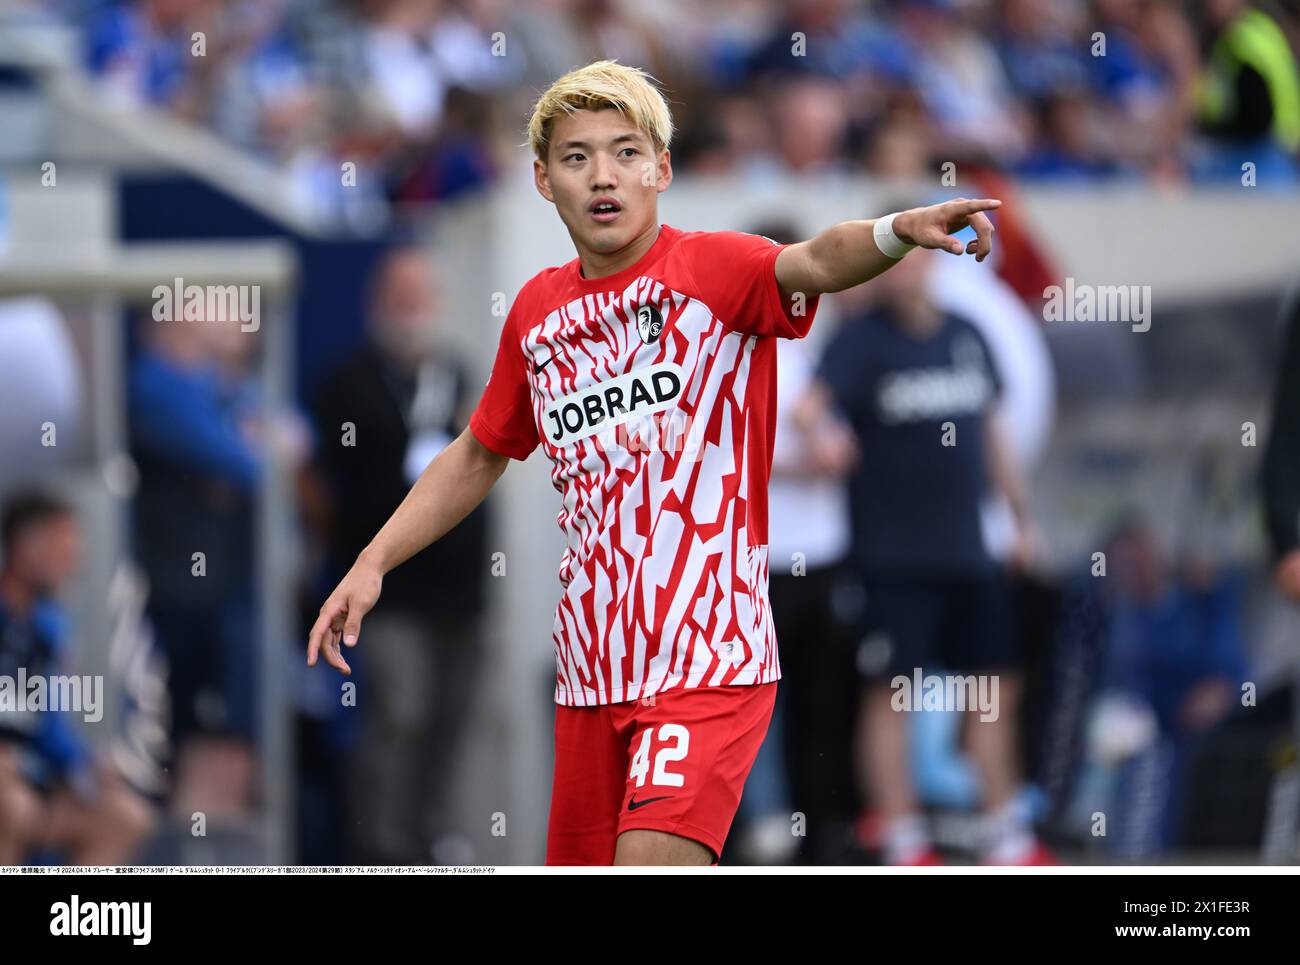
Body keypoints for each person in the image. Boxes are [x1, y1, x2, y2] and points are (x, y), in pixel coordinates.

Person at [307, 59, 1001, 866]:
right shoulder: (536, 312)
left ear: (662, 169)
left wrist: (893, 233)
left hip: (707, 661)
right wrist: (372, 561)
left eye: (626, 152)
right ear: (542, 179)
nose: (603, 175)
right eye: (576, 157)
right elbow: (478, 452)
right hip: (592, 674)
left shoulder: (716, 270)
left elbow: (813, 260)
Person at [801, 242, 1047, 865]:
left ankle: (1005, 831)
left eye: (914, 258)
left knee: (995, 684)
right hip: (891, 559)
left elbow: (993, 432)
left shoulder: (966, 335)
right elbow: (810, 406)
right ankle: (904, 834)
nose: (903, 272)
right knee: (891, 691)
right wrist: (825, 438)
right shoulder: (860, 341)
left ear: (933, 264)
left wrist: (1019, 520)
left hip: (969, 551)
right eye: (891, 259)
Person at [312, 246, 489, 864]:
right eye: (399, 295)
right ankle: (379, 849)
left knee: (450, 723)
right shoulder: (347, 385)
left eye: (421, 294)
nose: (411, 308)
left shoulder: (457, 373)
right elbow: (330, 489)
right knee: (399, 716)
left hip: (460, 591)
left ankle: (430, 839)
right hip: (388, 595)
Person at [0, 491, 155, 864]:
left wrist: (88, 766)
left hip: (30, 778)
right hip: (9, 791)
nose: (74, 559)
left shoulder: (48, 629)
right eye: (62, 544)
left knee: (125, 817)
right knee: (13, 807)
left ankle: (72, 920)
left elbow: (47, 725)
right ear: (27, 546)